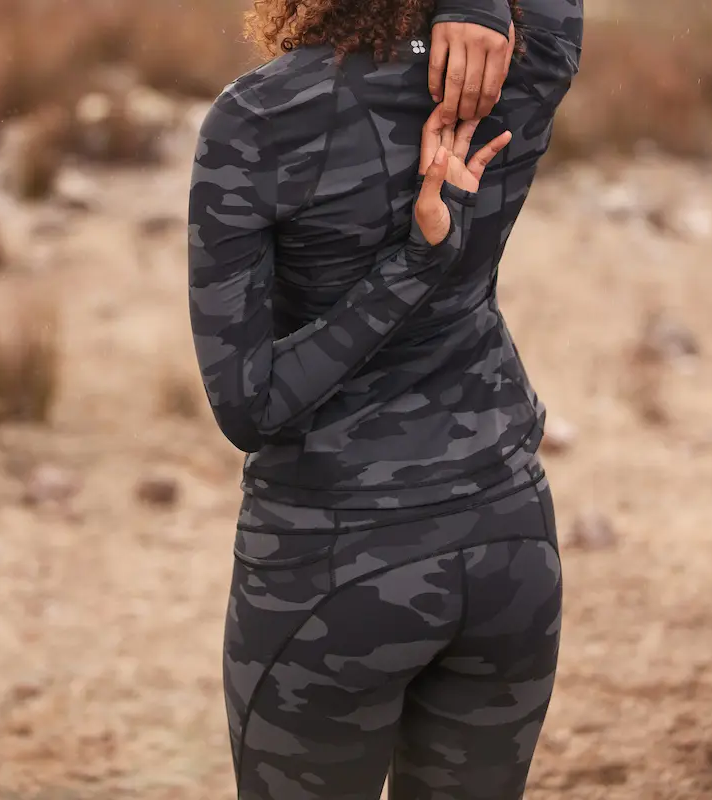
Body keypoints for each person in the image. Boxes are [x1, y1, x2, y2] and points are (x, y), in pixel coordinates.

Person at [187, 0, 583, 797]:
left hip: (329, 571)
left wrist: (414, 267)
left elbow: (250, 407)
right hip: (509, 547)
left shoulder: (258, 117)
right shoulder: (520, 67)